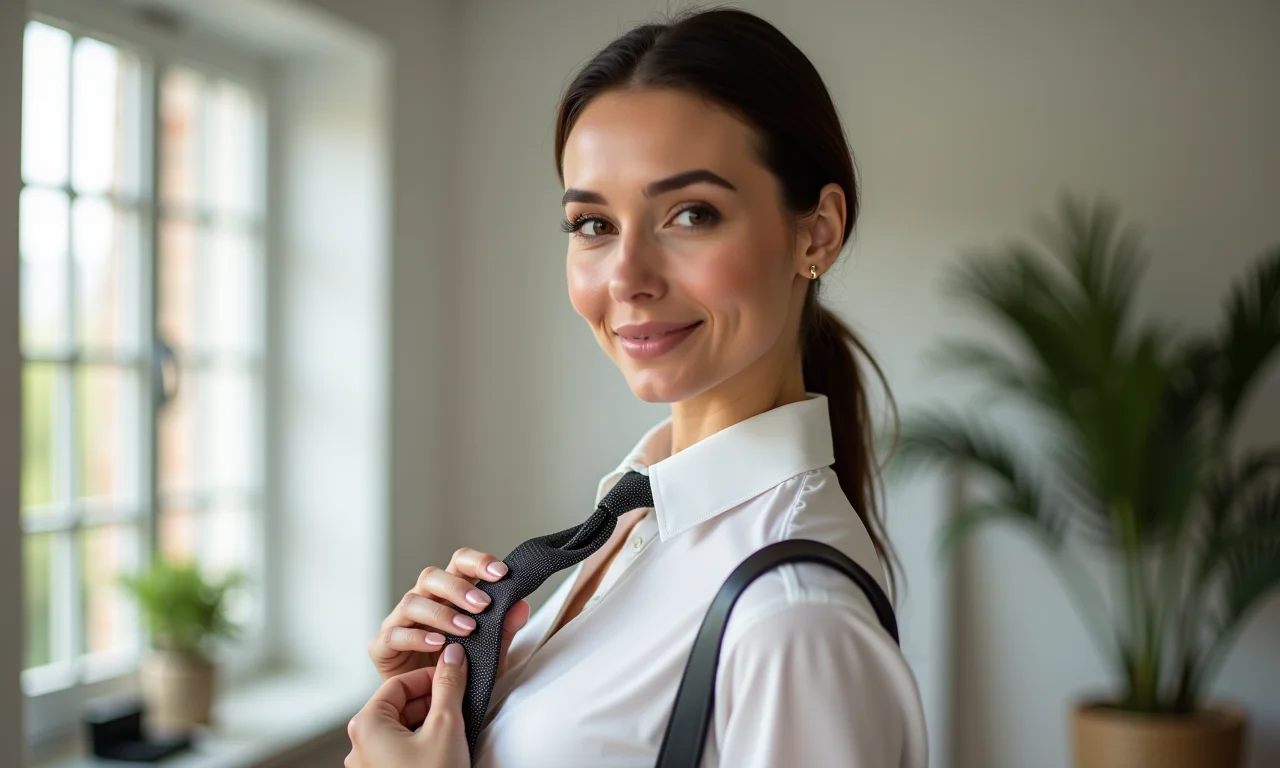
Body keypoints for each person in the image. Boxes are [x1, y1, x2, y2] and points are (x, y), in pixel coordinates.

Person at [347, 7, 928, 768]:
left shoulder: (791, 622)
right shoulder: (633, 519)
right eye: (593, 224)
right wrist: (450, 702)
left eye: (690, 214)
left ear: (815, 232)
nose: (626, 277)